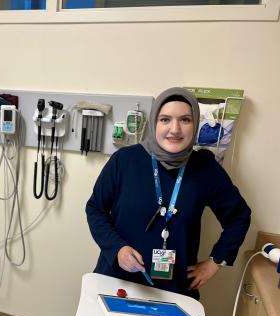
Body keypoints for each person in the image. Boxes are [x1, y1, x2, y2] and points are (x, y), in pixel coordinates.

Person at [85, 87, 251, 299]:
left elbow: (239, 217)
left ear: (195, 124)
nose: (175, 129)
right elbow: (95, 209)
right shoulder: (124, 161)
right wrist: (117, 249)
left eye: (185, 120)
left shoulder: (205, 169)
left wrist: (216, 261)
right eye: (165, 119)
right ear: (155, 122)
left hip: (173, 290)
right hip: (117, 281)